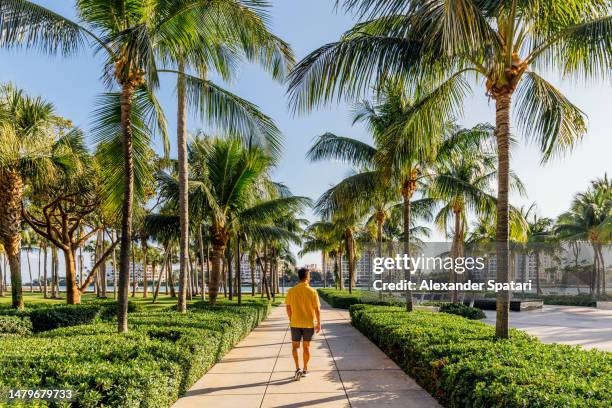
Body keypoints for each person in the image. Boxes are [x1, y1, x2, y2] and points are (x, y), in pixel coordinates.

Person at [285, 267, 321, 381]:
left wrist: (291, 319)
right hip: (308, 324)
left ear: (299, 277)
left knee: (295, 347)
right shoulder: (312, 291)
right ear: (308, 277)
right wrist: (319, 323)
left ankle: (297, 368)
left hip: (295, 323)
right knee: (306, 347)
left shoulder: (291, 291)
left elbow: (288, 307)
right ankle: (305, 369)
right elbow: (317, 309)